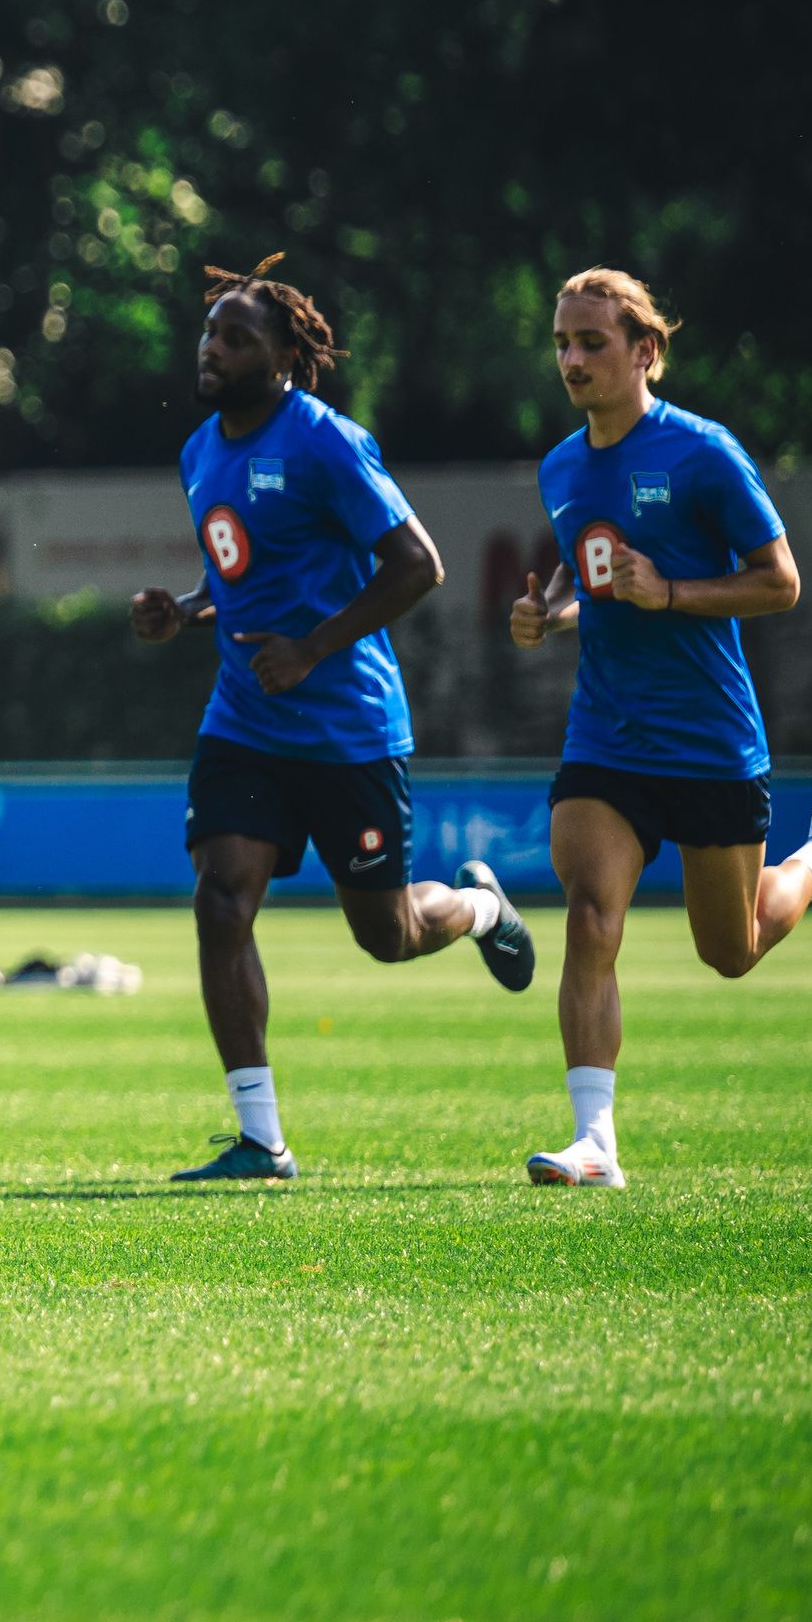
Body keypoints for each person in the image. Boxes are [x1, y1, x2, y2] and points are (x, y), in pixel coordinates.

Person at [128, 256, 534, 1185]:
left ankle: (476, 907)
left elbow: (418, 565)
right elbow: (240, 578)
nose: (213, 348)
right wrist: (185, 611)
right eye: (209, 332)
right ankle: (261, 1140)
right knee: (220, 899)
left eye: (236, 337)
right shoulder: (202, 451)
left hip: (346, 728)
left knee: (385, 935)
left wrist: (311, 649)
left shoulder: (325, 443)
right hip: (243, 721)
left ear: (282, 360)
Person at [505, 267, 812, 1186]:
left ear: (646, 353)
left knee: (733, 950)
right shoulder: (561, 466)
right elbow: (579, 567)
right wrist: (547, 612)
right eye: (561, 342)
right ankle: (596, 1141)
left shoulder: (704, 454)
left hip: (711, 737)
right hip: (607, 735)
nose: (572, 359)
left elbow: (781, 580)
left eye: (591, 342)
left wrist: (670, 592)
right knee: (592, 919)